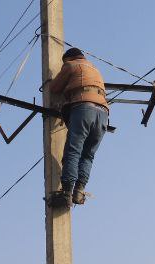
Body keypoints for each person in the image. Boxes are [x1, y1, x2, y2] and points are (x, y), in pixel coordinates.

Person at [46, 47, 108, 207]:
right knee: (88, 155)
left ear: (69, 58)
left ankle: (66, 193)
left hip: (84, 109)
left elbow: (54, 88)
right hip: (103, 114)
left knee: (73, 151)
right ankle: (79, 192)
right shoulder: (94, 68)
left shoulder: (71, 65)